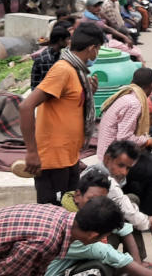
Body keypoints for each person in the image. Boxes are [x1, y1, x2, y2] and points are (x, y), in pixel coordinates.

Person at [20, 24, 105, 204]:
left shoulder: (77, 71)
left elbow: (69, 104)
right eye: (98, 49)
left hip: (69, 156)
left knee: (69, 209)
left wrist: (88, 92)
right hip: (53, 159)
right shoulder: (63, 70)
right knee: (53, 213)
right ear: (92, 49)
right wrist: (32, 153)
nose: (97, 55)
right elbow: (26, 106)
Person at [96, 68, 152, 217]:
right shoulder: (134, 103)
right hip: (114, 157)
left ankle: (137, 207)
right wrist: (149, 141)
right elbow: (123, 137)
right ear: (151, 86)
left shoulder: (125, 94)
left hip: (110, 151)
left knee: (148, 165)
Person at [30, 26, 71, 91]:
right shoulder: (47, 59)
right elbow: (51, 84)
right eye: (67, 39)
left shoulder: (57, 53)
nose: (69, 42)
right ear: (60, 40)